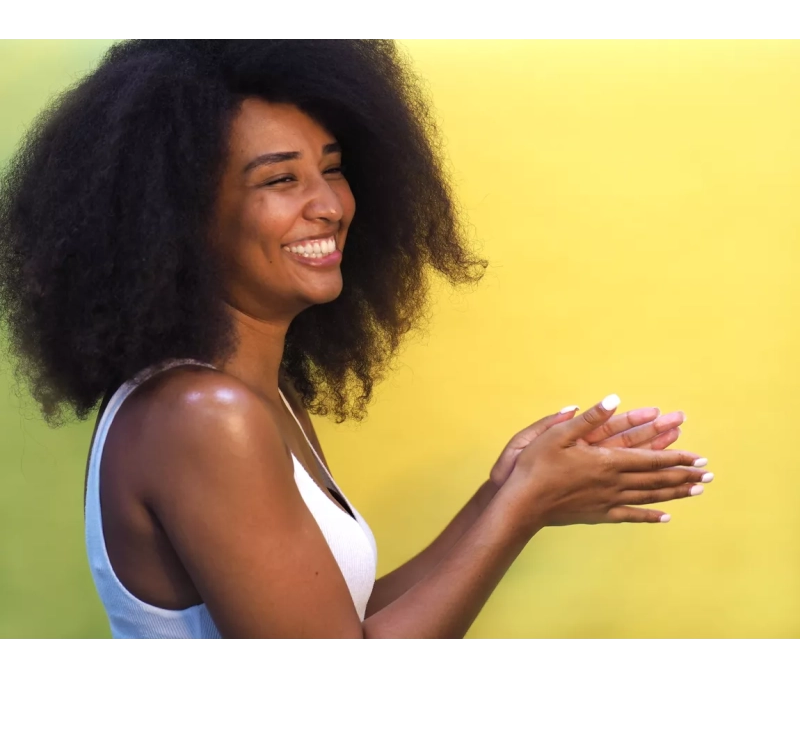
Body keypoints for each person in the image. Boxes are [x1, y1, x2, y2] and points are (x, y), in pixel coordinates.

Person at [0, 37, 711, 640]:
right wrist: (524, 511)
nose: (330, 205)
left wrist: (501, 494)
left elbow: (341, 624)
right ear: (177, 220)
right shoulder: (204, 418)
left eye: (332, 169)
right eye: (281, 180)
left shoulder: (251, 395)